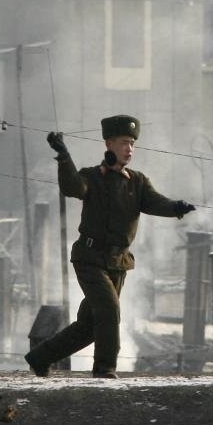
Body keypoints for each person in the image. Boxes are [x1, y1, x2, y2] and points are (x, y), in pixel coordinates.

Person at [25, 115, 195, 378]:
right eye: (124, 143)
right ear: (109, 144)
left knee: (90, 325)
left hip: (117, 262)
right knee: (108, 309)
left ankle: (40, 357)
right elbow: (72, 187)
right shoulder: (92, 177)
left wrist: (176, 208)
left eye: (132, 144)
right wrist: (63, 156)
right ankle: (104, 369)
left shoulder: (137, 182)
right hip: (90, 258)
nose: (130, 149)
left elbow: (155, 202)